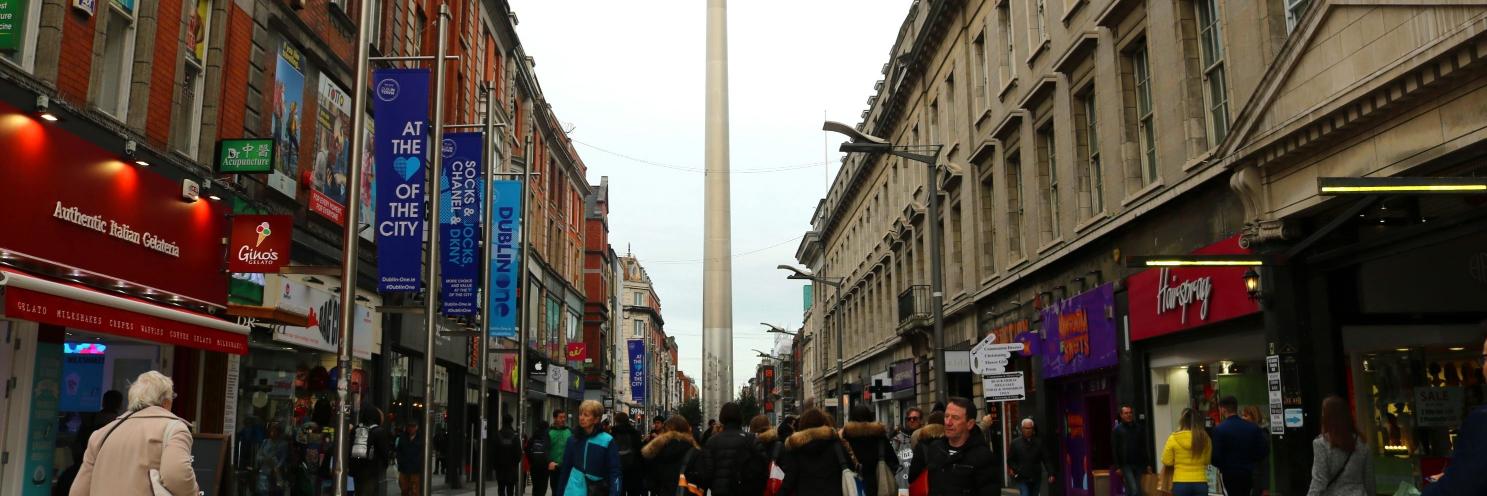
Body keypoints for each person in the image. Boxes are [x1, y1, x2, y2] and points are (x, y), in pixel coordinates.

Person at [70, 371, 199, 496]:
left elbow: (78, 491)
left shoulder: (102, 434)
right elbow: (176, 475)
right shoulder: (173, 429)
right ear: (166, 402)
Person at [1423, 330, 1487, 496]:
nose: (1483, 366)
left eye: (1486, 358)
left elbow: (1463, 486)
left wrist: (1439, 486)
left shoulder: (1481, 419)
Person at [909, 397, 1001, 496]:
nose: (948, 422)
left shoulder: (983, 456)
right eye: (946, 416)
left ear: (970, 424)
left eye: (955, 418)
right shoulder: (935, 448)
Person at [778, 408, 859, 496]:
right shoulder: (835, 445)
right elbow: (850, 467)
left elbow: (790, 480)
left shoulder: (796, 449)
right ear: (823, 423)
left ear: (802, 424)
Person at [1305, 396, 1374, 496]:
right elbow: (1369, 481)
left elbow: (1319, 481)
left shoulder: (1321, 444)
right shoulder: (1362, 443)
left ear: (1327, 418)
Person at [699, 403, 768, 496]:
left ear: (722, 417)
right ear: (740, 417)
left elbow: (707, 474)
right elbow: (763, 468)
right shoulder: (751, 439)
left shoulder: (712, 441)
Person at [556, 400, 622, 496]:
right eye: (581, 414)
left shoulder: (607, 440)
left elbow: (615, 471)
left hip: (598, 490)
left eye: (586, 415)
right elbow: (565, 470)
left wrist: (614, 493)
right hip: (574, 490)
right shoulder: (573, 440)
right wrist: (560, 492)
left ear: (596, 419)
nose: (582, 418)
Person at [1212, 396, 1268, 496]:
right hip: (1248, 473)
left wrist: (1223, 466)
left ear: (1223, 409)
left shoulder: (1219, 429)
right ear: (1236, 408)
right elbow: (1263, 452)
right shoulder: (1252, 428)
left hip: (1229, 474)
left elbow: (1216, 457)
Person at [843, 404, 901, 496]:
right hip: (880, 486)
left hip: (854, 487)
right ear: (870, 417)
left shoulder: (847, 439)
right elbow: (893, 461)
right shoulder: (880, 437)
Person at [643, 416, 701, 496]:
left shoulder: (657, 448)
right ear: (686, 429)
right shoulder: (694, 451)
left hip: (663, 491)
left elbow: (651, 474)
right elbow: (703, 476)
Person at [1160, 408, 1213, 496]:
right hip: (1200, 482)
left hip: (1180, 483)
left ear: (1182, 421)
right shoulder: (1205, 438)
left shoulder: (1173, 438)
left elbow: (1166, 461)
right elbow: (1207, 461)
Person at [349, 406, 393, 496]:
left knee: (358, 491)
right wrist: (384, 464)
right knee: (369, 491)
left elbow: (350, 447)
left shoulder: (356, 429)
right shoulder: (379, 431)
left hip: (356, 468)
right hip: (371, 469)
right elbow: (384, 452)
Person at [1112, 404, 1152, 496]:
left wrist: (1148, 464)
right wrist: (1117, 466)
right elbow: (1115, 449)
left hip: (1139, 464)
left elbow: (1143, 446)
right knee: (1134, 490)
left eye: (1130, 413)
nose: (1128, 415)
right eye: (1126, 413)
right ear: (1121, 415)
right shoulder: (1117, 430)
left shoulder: (1138, 428)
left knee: (1134, 489)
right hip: (1126, 465)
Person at [1007, 418, 1055, 496]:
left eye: (1030, 428)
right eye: (1026, 428)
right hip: (1022, 477)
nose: (1028, 430)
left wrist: (1051, 473)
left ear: (1033, 429)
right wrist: (1017, 469)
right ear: (1022, 429)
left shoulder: (1039, 442)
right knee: (1025, 494)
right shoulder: (1015, 443)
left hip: (1035, 476)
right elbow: (1010, 460)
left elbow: (1046, 458)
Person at [610, 412, 647, 496]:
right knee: (633, 492)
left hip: (618, 469)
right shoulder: (635, 433)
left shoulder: (613, 434)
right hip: (634, 469)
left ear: (616, 421)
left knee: (619, 491)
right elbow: (640, 451)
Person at [892, 407, 925, 491]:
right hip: (902, 487)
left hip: (920, 486)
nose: (911, 420)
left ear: (921, 420)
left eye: (915, 418)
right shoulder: (897, 440)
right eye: (909, 418)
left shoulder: (925, 437)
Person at [1240, 405, 1270, 496]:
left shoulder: (1262, 435)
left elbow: (1265, 463)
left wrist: (1265, 488)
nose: (1243, 418)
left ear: (1254, 417)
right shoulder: (1243, 433)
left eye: (1246, 416)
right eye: (1242, 415)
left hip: (1256, 481)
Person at [493, 414, 523, 496]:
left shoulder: (497, 435)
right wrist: (515, 463)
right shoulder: (515, 436)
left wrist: (495, 465)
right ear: (511, 422)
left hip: (500, 468)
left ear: (502, 422)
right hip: (512, 468)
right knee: (510, 490)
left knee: (501, 489)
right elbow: (518, 454)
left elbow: (493, 452)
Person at [395, 421, 425, 496]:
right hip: (404, 468)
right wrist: (400, 462)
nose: (411, 429)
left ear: (416, 427)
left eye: (413, 427)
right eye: (410, 427)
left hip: (415, 469)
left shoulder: (421, 438)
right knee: (404, 489)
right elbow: (399, 451)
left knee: (415, 490)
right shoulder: (403, 437)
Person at [550, 409, 575, 496]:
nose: (563, 419)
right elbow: (545, 449)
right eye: (560, 417)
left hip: (567, 467)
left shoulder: (570, 431)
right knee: (555, 491)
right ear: (554, 418)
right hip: (554, 468)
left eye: (564, 417)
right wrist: (549, 462)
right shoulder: (549, 432)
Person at [528, 419, 553, 496]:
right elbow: (549, 450)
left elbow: (528, 449)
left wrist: (532, 460)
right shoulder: (547, 436)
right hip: (544, 466)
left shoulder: (533, 437)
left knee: (535, 486)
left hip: (534, 466)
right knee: (543, 486)